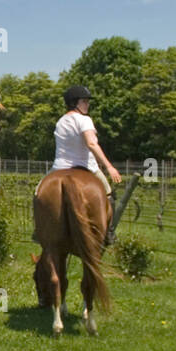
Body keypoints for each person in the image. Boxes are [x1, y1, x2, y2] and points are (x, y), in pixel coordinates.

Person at [52, 85, 121, 244]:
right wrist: (109, 167)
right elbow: (91, 143)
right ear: (74, 103)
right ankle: (109, 234)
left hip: (58, 169)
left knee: (39, 193)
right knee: (108, 194)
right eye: (84, 101)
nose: (87, 104)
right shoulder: (85, 120)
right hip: (85, 167)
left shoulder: (61, 121)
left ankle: (39, 231)